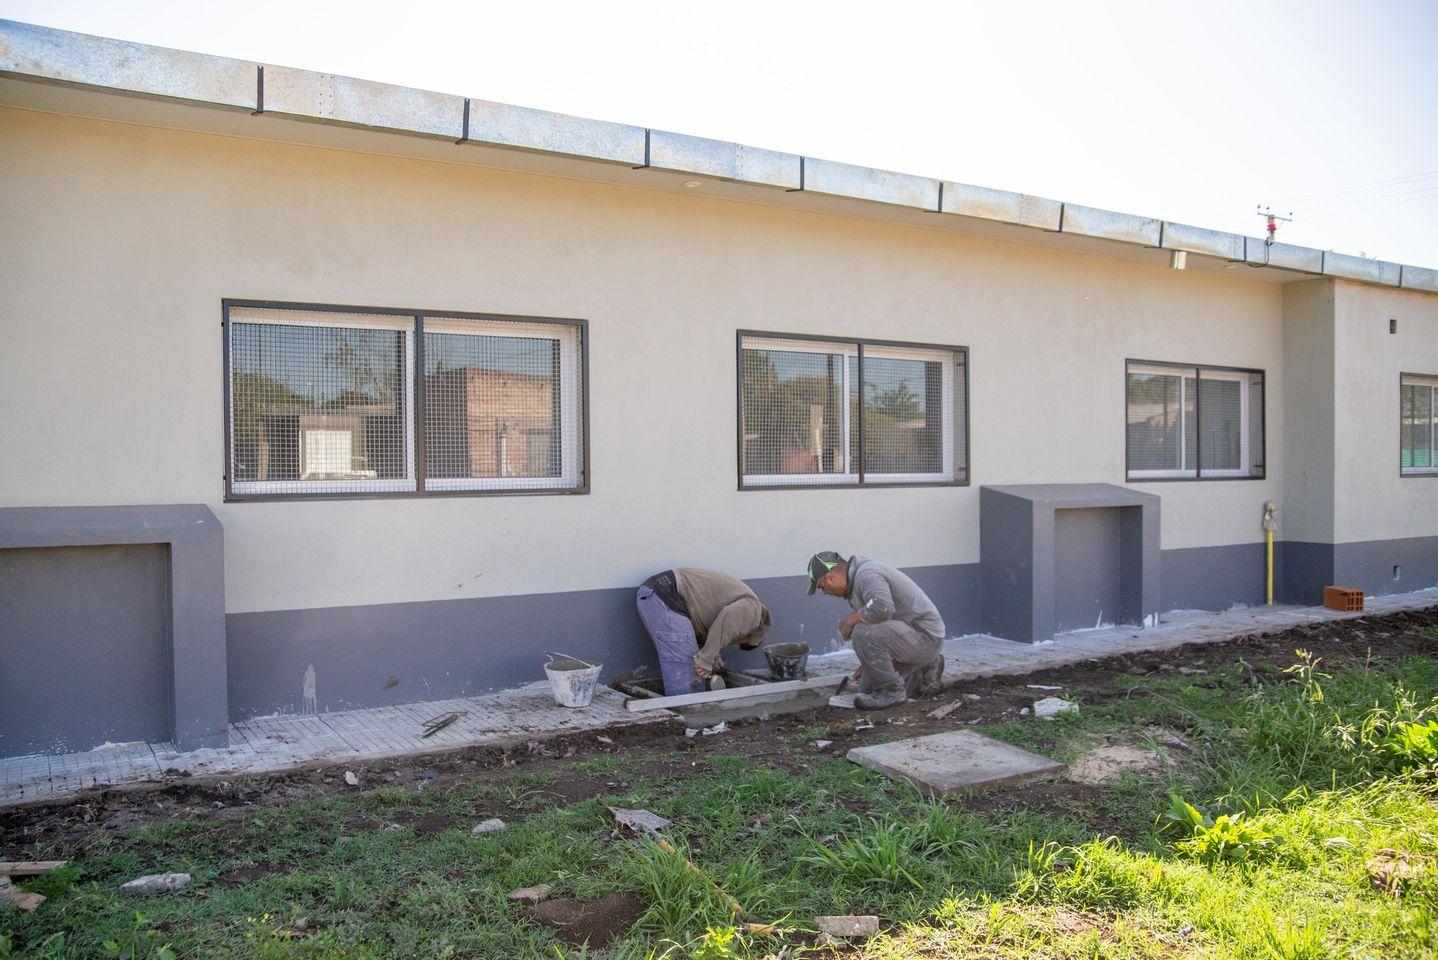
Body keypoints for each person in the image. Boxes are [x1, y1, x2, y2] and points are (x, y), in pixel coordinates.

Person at [806, 551, 946, 709]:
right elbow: (882, 625)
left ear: (831, 577)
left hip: (925, 638)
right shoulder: (855, 583)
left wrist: (849, 620)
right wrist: (870, 663)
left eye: (822, 587)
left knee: (862, 632)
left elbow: (882, 609)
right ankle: (924, 670)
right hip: (908, 638)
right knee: (866, 691)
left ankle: (892, 692)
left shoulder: (867, 575)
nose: (825, 593)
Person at [636, 568, 773, 695]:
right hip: (668, 595)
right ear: (750, 636)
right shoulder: (753, 610)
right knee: (687, 674)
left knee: (693, 663)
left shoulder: (743, 601)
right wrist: (706, 659)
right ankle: (689, 716)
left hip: (659, 594)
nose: (735, 639)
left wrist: (712, 654)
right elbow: (728, 620)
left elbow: (716, 627)